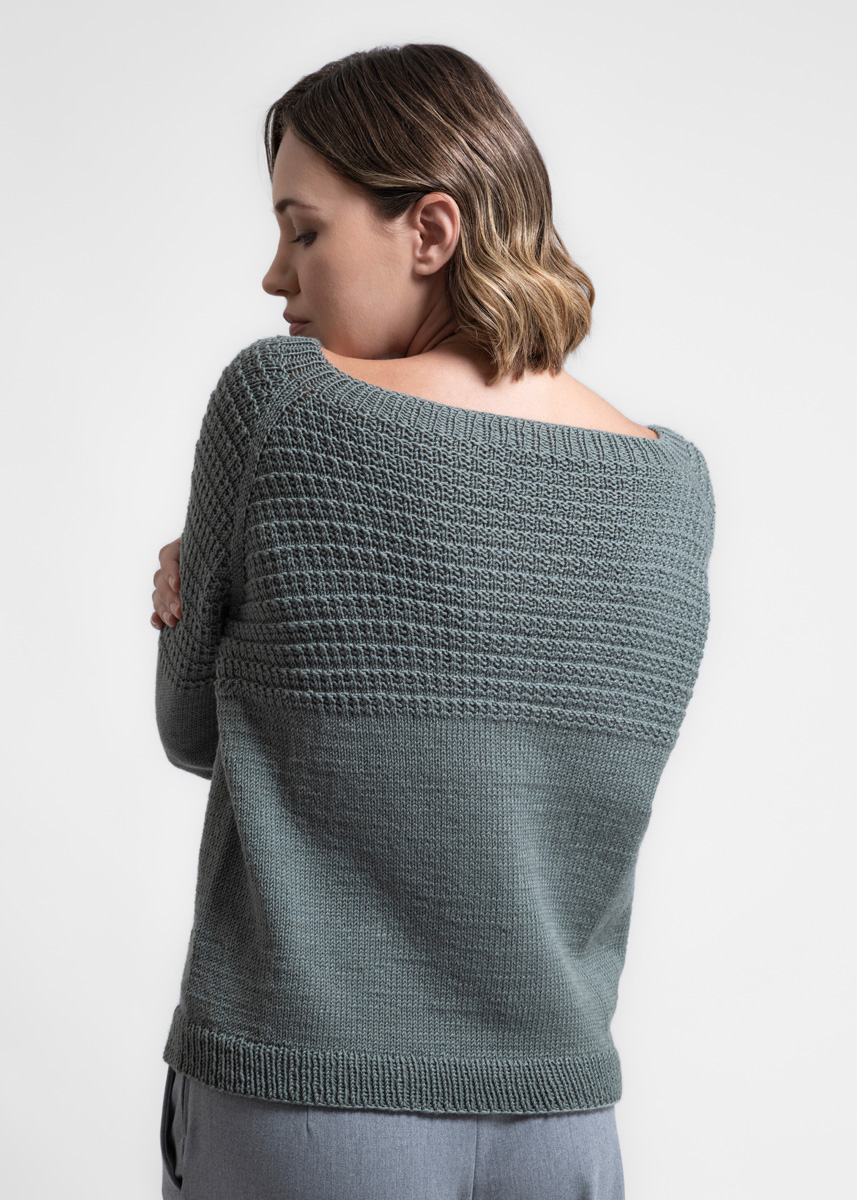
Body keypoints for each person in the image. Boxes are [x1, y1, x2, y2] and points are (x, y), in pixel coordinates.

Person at [150, 43, 715, 1200]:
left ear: (430, 230)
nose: (275, 276)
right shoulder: (674, 486)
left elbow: (194, 730)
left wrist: (189, 591)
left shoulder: (282, 405)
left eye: (304, 231)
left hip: (310, 1104)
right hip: (562, 1124)